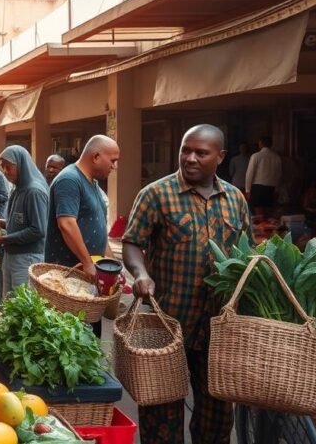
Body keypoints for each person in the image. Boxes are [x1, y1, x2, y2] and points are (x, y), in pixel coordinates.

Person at [122, 125, 250, 444]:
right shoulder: (155, 194)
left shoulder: (235, 199)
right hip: (168, 325)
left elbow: (247, 253)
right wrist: (140, 273)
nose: (190, 158)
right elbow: (132, 243)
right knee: (161, 416)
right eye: (185, 150)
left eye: (201, 153)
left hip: (219, 328)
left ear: (220, 157)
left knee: (217, 417)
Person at [44, 135, 119, 276]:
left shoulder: (93, 183)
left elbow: (99, 230)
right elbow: (66, 224)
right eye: (113, 160)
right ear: (96, 157)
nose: (115, 166)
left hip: (87, 273)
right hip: (67, 275)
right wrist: (87, 263)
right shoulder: (69, 179)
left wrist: (110, 264)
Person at [0, 146, 48, 296]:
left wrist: (3, 239)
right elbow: (16, 224)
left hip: (27, 258)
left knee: (21, 305)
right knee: (9, 302)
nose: (5, 171)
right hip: (11, 254)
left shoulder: (34, 191)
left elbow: (38, 230)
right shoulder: (17, 189)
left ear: (21, 165)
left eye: (8, 167)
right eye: (2, 167)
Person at [245, 135, 281, 216]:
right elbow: (279, 175)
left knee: (259, 214)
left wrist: (248, 190)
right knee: (269, 214)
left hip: (258, 188)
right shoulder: (277, 157)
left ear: (260, 143)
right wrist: (277, 189)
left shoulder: (256, 156)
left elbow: (250, 174)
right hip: (272, 187)